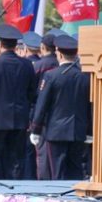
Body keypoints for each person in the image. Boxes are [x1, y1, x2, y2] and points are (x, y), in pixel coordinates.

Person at [30, 34, 92, 180]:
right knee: (76, 171)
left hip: (56, 132)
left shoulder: (51, 76)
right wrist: (89, 130)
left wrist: (36, 129)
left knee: (57, 171)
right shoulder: (85, 77)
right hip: (78, 130)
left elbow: (42, 104)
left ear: (59, 53)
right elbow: (90, 105)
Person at [0, 25, 37, 180]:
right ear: (15, 45)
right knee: (16, 159)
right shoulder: (27, 65)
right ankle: (15, 191)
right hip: (20, 119)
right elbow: (32, 93)